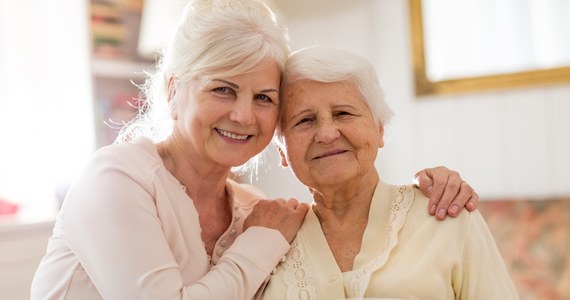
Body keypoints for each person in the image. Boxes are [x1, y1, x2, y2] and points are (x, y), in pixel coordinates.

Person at [31, 1, 479, 299]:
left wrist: (435, 187)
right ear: (173, 91)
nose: (245, 116)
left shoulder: (255, 211)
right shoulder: (116, 178)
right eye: (224, 90)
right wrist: (260, 241)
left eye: (263, 97)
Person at [261, 46, 519, 299]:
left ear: (380, 129)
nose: (327, 134)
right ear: (281, 149)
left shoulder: (449, 215)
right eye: (304, 120)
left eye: (343, 113)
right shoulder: (268, 241)